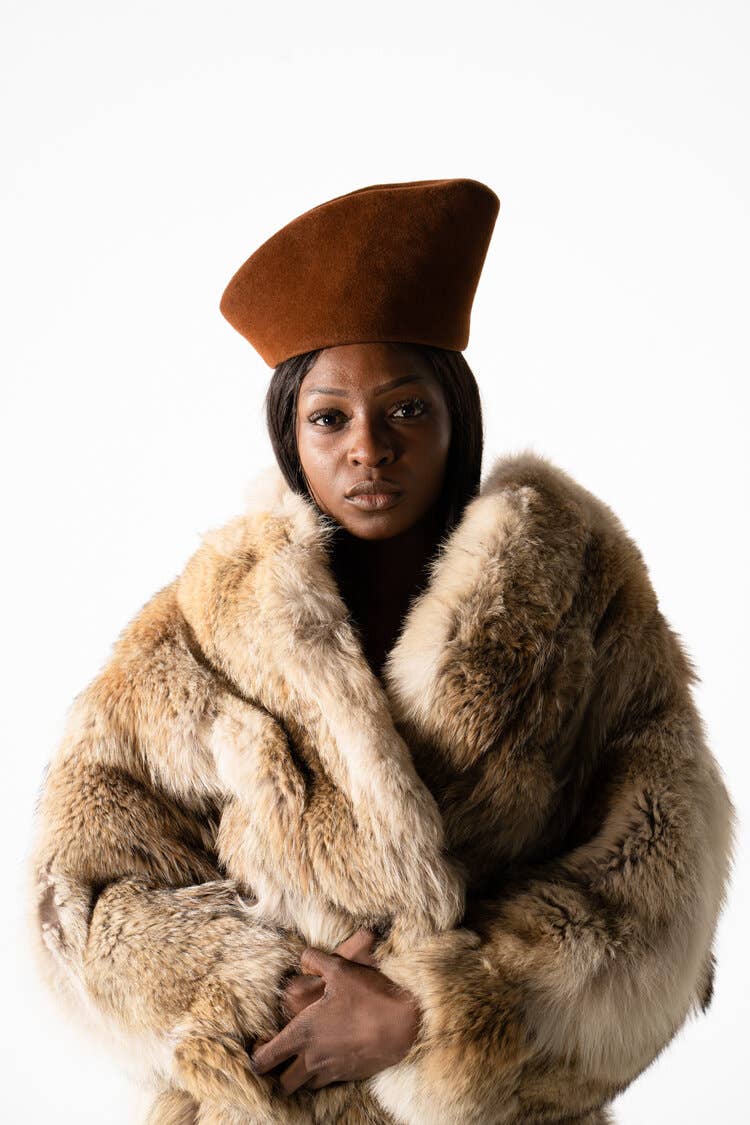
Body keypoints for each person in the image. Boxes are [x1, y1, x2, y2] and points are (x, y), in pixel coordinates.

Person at [26, 179, 736, 1125]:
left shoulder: (581, 597)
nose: (369, 448)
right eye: (330, 418)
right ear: (291, 430)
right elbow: (79, 891)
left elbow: (662, 883)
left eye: (405, 411)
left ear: (454, 418)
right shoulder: (202, 628)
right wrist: (268, 989)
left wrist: (429, 1018)